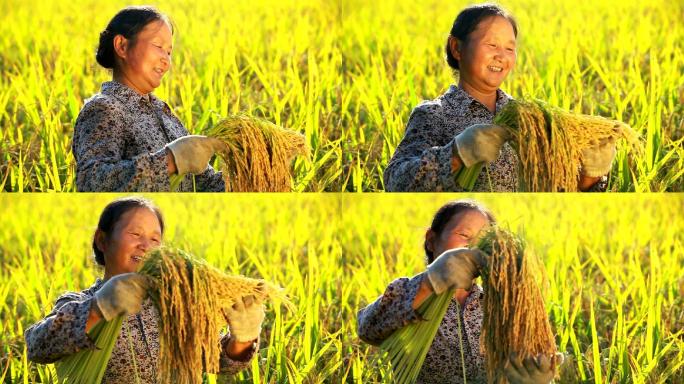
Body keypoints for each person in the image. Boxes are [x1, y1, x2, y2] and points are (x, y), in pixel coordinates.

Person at [24, 197, 263, 382]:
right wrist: (98, 307)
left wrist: (242, 338)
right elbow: (37, 347)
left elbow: (217, 363)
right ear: (102, 240)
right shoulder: (80, 302)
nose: (145, 246)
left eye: (155, 239)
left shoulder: (175, 304)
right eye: (135, 234)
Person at [383, 4, 616, 192]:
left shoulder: (528, 119)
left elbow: (557, 191)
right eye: (491, 44)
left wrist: (590, 174)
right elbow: (396, 182)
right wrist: (457, 153)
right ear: (457, 48)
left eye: (509, 48)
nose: (501, 56)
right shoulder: (435, 115)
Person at [357, 199, 564, 383]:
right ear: (431, 240)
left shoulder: (504, 308)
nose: (473, 246)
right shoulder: (412, 296)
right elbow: (367, 328)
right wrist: (431, 282)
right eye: (464, 235)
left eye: (483, 240)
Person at [72, 6, 227, 191]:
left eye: (169, 52)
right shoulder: (106, 108)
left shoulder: (165, 114)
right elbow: (91, 182)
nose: (166, 60)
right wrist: (171, 160)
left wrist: (252, 170)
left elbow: (202, 184)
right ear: (122, 46)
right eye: (158, 47)